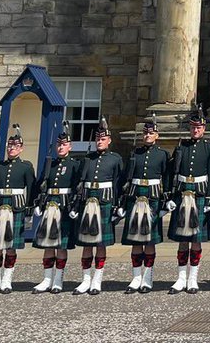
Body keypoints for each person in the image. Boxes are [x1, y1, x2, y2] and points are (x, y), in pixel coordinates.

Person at [165, 103, 210, 294]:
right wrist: (170, 196)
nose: (196, 130)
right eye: (193, 127)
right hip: (182, 194)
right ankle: (180, 278)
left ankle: (193, 278)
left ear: (204, 128)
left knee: (196, 238)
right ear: (190, 128)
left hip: (199, 194)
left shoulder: (209, 148)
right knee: (182, 238)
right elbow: (172, 172)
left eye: (199, 127)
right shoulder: (181, 146)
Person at [0, 124, 37, 294]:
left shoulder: (26, 167)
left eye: (15, 146)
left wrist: (29, 211)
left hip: (16, 207)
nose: (12, 149)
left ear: (21, 149)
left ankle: (7, 279)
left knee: (11, 245)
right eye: (10, 146)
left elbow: (32, 189)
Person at [72, 116, 125, 295]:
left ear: (109, 141)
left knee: (100, 244)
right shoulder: (87, 159)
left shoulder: (115, 159)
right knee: (87, 243)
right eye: (97, 139)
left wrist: (118, 206)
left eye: (103, 139)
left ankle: (97, 280)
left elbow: (118, 183)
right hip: (88, 203)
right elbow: (79, 184)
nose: (99, 142)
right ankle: (86, 279)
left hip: (105, 202)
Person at [31, 121, 81, 294]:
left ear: (70, 146)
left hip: (64, 206)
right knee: (47, 244)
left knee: (61, 245)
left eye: (64, 144)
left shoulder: (75, 165)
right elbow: (40, 185)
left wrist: (75, 206)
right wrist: (37, 204)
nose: (61, 147)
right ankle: (46, 279)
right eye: (59, 144)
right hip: (49, 205)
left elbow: (77, 188)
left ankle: (58, 279)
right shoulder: (49, 164)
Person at [121, 118, 169, 294]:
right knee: (136, 239)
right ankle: (135, 278)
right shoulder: (135, 153)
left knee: (149, 240)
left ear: (157, 135)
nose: (147, 136)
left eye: (151, 133)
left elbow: (167, 178)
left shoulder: (162, 154)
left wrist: (166, 201)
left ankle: (147, 278)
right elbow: (126, 177)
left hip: (153, 196)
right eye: (145, 133)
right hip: (135, 196)